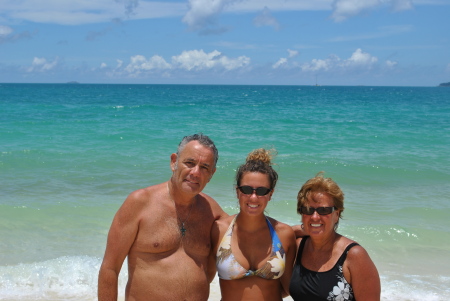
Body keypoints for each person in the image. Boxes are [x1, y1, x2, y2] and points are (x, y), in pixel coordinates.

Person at [98, 133, 227, 301]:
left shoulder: (213, 212)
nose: (196, 172)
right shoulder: (139, 203)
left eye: (204, 167)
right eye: (189, 163)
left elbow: (247, 239)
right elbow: (110, 269)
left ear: (211, 174)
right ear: (174, 162)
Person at [211, 148, 297, 301]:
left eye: (262, 191)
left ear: (270, 194)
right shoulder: (219, 230)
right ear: (237, 192)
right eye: (246, 189)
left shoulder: (284, 234)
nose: (253, 197)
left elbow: (288, 288)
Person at [289, 172, 381, 301]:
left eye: (324, 210)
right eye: (308, 210)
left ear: (337, 214)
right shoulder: (298, 247)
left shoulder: (354, 256)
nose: (315, 217)